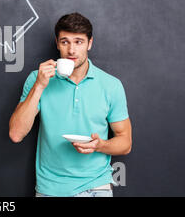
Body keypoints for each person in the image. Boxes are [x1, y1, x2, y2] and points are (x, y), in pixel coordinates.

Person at [9, 12, 132, 197]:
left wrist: (99, 146)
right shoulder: (37, 79)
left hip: (97, 187)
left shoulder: (111, 85)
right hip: (50, 190)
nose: (72, 51)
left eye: (79, 42)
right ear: (57, 44)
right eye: (65, 42)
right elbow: (16, 134)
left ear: (90, 43)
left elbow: (125, 143)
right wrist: (40, 86)